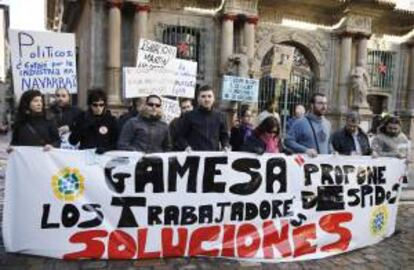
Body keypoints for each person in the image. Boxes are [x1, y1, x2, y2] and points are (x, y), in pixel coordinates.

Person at [176, 85, 230, 151]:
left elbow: (224, 136)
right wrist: (186, 146)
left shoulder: (221, 116)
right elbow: (180, 136)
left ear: (213, 99)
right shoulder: (189, 116)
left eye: (209, 96)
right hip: (195, 157)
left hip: (214, 157)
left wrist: (225, 146)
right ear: (198, 99)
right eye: (203, 96)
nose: (206, 99)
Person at [69, 89, 118, 154]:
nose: (98, 108)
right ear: (90, 105)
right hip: (86, 155)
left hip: (104, 156)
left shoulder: (110, 120)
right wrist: (83, 127)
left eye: (101, 105)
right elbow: (72, 141)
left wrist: (106, 149)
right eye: (95, 105)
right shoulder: (82, 118)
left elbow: (116, 142)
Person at [284, 93, 331, 157]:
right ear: (312, 105)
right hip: (306, 165)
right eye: (320, 103)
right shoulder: (300, 123)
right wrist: (305, 150)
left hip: (323, 165)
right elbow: (288, 141)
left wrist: (333, 152)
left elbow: (328, 144)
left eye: (325, 103)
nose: (324, 107)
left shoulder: (327, 124)